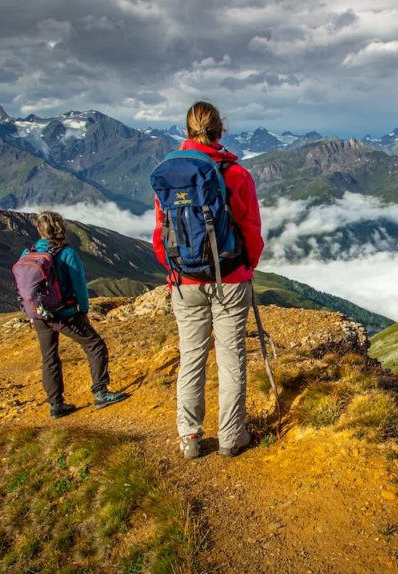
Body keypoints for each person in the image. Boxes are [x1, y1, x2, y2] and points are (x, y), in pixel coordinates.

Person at [152, 101, 264, 459]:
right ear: (220, 131)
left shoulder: (170, 174)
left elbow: (160, 235)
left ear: (187, 131)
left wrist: (176, 271)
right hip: (230, 280)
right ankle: (232, 437)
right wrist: (246, 268)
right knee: (231, 360)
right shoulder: (236, 174)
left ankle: (189, 437)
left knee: (191, 357)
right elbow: (251, 232)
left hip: (184, 282)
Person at [28, 211, 129, 418]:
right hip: (65, 313)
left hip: (39, 315)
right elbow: (80, 288)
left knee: (49, 357)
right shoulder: (67, 254)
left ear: (39, 230)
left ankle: (56, 404)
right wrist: (83, 311)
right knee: (95, 345)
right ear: (62, 230)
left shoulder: (27, 254)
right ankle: (100, 391)